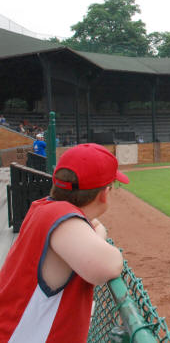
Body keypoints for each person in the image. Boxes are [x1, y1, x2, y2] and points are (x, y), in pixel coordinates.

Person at [0, 143, 127, 342]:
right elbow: (108, 265)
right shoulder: (61, 216)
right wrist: (100, 231)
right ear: (104, 193)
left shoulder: (43, 207)